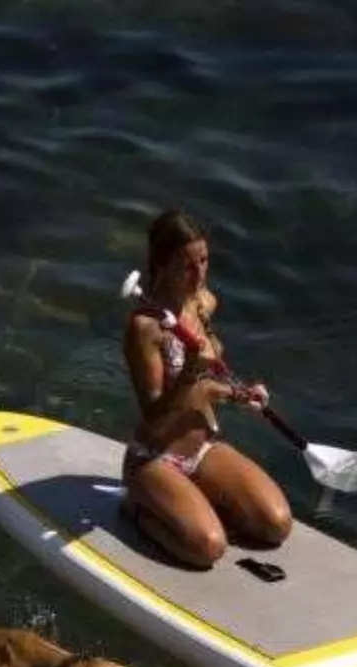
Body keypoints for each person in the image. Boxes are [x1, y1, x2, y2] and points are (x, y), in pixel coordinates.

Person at [118, 208, 293, 568]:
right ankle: (136, 508)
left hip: (203, 448)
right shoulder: (144, 328)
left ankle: (193, 503)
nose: (199, 274)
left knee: (276, 524)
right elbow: (153, 415)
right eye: (186, 266)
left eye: (204, 260)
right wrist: (188, 373)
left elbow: (207, 384)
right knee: (207, 549)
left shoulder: (203, 303)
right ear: (162, 264)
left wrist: (239, 393)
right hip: (156, 457)